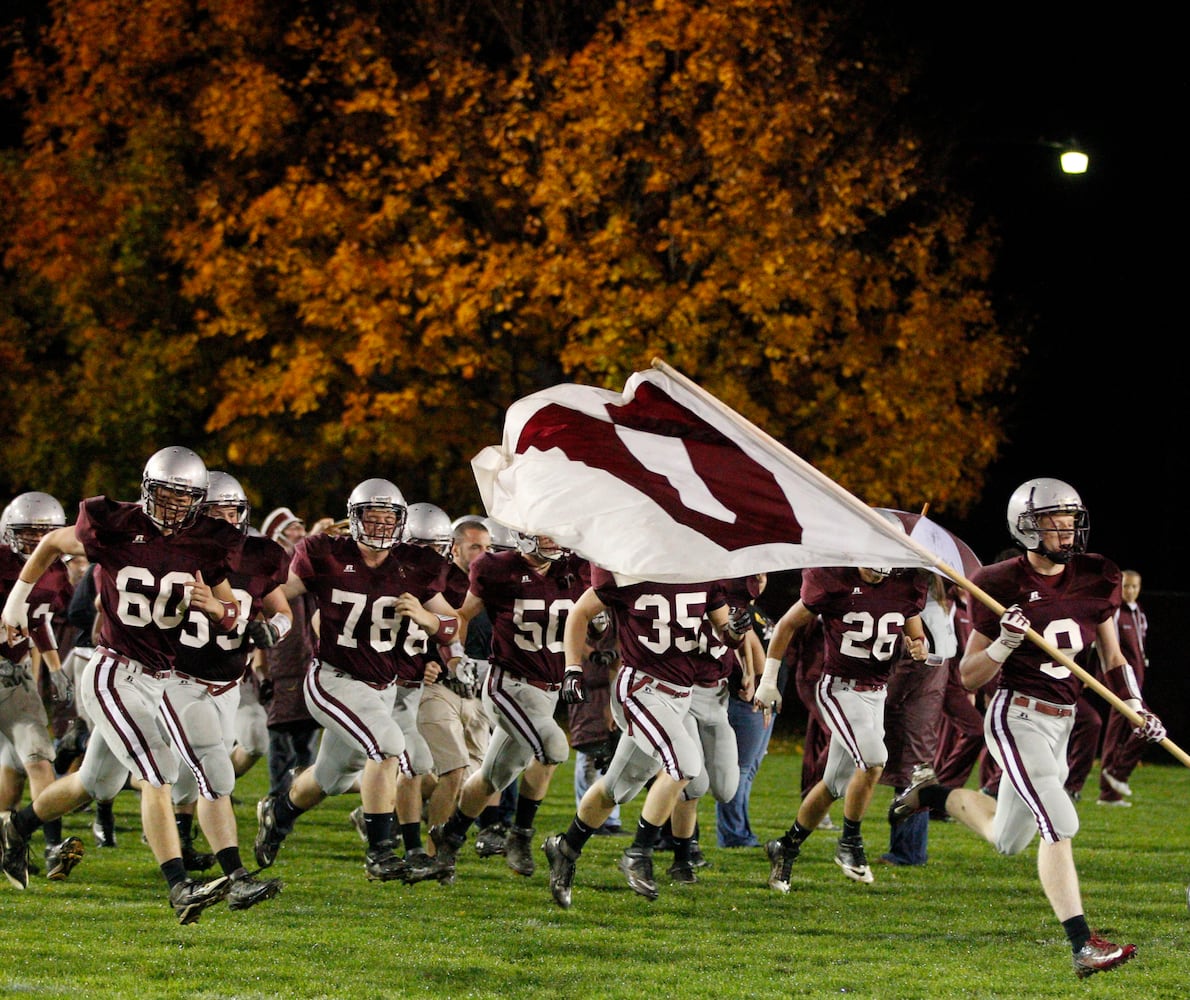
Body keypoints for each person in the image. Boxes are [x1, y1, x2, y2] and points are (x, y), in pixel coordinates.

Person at [889, 478, 1165, 979]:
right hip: (1017, 716)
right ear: (1025, 527)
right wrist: (1004, 643)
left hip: (1061, 722)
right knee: (1061, 822)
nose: (1066, 530)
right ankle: (1083, 945)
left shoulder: (1099, 574)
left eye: (1070, 519)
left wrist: (1136, 705)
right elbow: (970, 675)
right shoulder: (997, 583)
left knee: (1007, 839)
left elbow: (1113, 656)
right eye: (1053, 522)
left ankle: (933, 797)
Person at [0, 447, 243, 923]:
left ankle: (17, 828)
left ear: (198, 500)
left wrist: (212, 608)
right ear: (147, 490)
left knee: (94, 783)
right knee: (157, 772)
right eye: (165, 494)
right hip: (114, 671)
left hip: (160, 678)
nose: (172, 506)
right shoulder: (112, 524)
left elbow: (231, 614)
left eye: (183, 497)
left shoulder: (208, 542)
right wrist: (15, 604)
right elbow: (50, 544)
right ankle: (179, 887)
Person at [253, 478, 459, 883]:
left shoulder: (416, 565)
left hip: (381, 689)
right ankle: (380, 850)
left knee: (330, 776)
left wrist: (428, 619)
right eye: (372, 517)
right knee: (387, 747)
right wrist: (267, 612)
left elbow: (451, 625)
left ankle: (279, 811)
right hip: (333, 678)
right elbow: (280, 588)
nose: (381, 526)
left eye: (389, 519)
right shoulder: (325, 552)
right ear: (355, 518)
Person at [542, 573, 748, 908]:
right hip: (640, 687)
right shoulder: (629, 569)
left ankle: (565, 847)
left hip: (681, 695)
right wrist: (572, 668)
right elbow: (579, 612)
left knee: (617, 788)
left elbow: (727, 634)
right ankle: (639, 852)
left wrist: (737, 630)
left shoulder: (704, 573)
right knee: (685, 764)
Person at [757, 514, 929, 889]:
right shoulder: (833, 578)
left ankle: (786, 847)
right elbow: (787, 625)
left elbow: (916, 632)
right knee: (873, 760)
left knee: (834, 784)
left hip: (876, 692)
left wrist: (919, 646)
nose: (877, 576)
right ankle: (850, 841)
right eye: (870, 567)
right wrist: (769, 680)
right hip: (838, 688)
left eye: (885, 569)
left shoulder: (906, 583)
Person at [410, 533, 590, 884]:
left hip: (548, 692)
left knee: (493, 777)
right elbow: (462, 614)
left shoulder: (574, 568)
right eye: (543, 533)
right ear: (522, 536)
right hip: (509, 684)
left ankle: (450, 836)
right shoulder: (497, 568)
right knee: (553, 747)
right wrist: (455, 655)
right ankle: (520, 835)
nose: (553, 540)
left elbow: (590, 615)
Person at [163, 471, 287, 910]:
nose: (223, 518)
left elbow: (282, 610)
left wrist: (274, 629)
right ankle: (234, 877)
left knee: (98, 781)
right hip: (176, 679)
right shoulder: (174, 551)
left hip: (229, 683)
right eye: (213, 511)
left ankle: (24, 823)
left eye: (230, 510)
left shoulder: (260, 555)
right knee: (215, 773)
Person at [0, 491, 83, 878]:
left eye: (43, 533)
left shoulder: (54, 572)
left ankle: (52, 847)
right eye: (27, 533)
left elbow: (39, 621)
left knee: (39, 756)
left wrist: (55, 667)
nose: (36, 541)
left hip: (15, 677)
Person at [1097, 569, 1149, 806]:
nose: (1130, 591)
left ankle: (1109, 793)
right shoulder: (1114, 613)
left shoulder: (1139, 614)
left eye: (1134, 587)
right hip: (1121, 687)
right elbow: (1109, 650)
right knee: (1143, 727)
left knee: (1121, 733)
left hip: (1135, 684)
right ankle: (1116, 774)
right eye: (1126, 586)